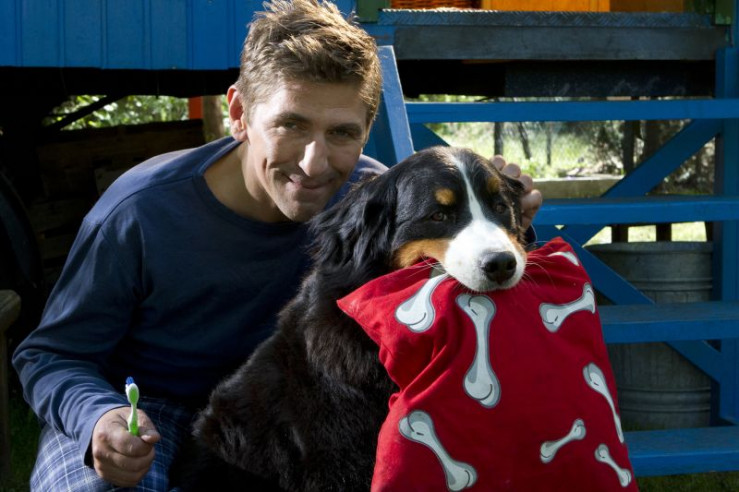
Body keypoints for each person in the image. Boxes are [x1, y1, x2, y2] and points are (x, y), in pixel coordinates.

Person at [12, 0, 543, 490]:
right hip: (144, 408)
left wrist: (501, 222)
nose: (314, 163)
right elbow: (51, 354)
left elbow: (447, 295)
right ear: (240, 113)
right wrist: (96, 418)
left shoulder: (377, 206)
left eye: (342, 133)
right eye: (291, 124)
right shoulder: (140, 211)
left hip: (293, 407)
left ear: (367, 128)